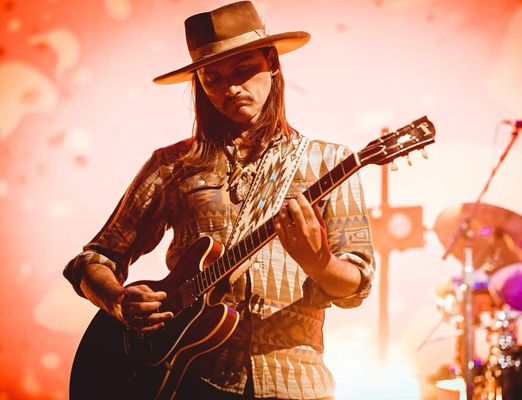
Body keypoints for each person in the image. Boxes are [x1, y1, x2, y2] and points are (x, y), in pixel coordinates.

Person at [64, 2, 375, 399]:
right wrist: (116, 301)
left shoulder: (331, 163)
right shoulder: (173, 165)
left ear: (272, 63)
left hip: (295, 381)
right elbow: (94, 259)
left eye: (243, 70)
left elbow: (356, 287)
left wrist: (320, 263)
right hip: (189, 380)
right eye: (213, 79)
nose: (230, 89)